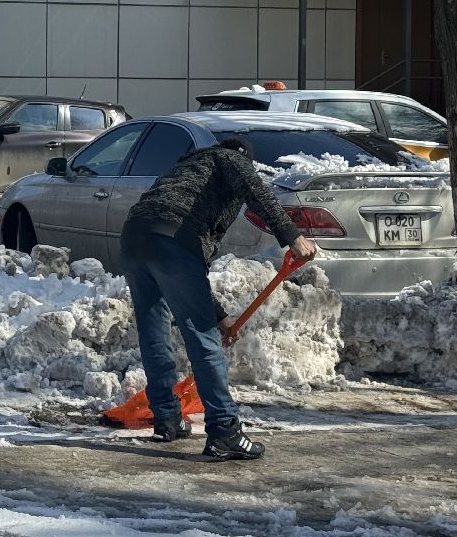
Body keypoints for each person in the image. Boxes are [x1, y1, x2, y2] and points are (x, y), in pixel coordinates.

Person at [119, 137, 318, 460]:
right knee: (202, 338)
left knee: (153, 330)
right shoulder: (231, 158)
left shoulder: (184, 170)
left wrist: (220, 316)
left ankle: (167, 418)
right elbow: (256, 192)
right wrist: (292, 236)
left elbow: (189, 274)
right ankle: (224, 431)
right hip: (174, 239)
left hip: (134, 238)